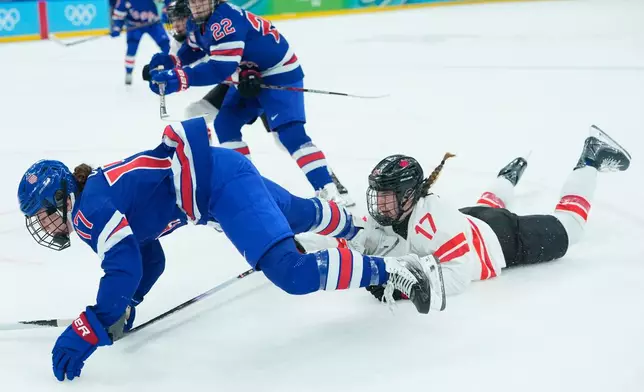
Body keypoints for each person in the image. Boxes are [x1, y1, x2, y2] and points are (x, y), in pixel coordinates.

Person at [17, 118, 444, 382]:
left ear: (60, 198)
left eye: (41, 214)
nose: (42, 225)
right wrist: (126, 306)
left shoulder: (89, 212)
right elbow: (149, 256)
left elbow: (125, 267)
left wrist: (92, 325)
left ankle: (394, 270)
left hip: (219, 188)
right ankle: (357, 228)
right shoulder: (91, 197)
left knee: (291, 272)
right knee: (296, 213)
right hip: (223, 173)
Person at [294, 125, 631, 305]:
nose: (379, 206)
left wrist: (403, 286)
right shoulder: (393, 217)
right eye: (378, 197)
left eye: (387, 198)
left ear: (409, 196)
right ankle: (507, 176)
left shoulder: (434, 222)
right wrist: (302, 246)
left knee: (570, 229)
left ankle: (590, 159)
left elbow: (457, 276)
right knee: (485, 206)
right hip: (472, 221)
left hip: (501, 239)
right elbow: (355, 242)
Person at [144, 0, 353, 205]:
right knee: (226, 124)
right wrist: (173, 63)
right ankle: (246, 186)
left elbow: (220, 68)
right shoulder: (197, 20)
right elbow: (195, 47)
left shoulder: (224, 20)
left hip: (278, 72)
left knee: (290, 135)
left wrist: (179, 78)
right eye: (191, 1)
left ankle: (329, 189)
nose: (195, 5)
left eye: (200, 0)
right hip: (246, 75)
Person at [110, 0, 171, 85]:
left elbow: (168, 1)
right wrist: (116, 27)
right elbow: (118, 16)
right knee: (131, 48)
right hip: (134, 26)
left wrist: (167, 7)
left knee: (166, 45)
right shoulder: (124, 1)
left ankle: (173, 67)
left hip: (153, 23)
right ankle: (128, 72)